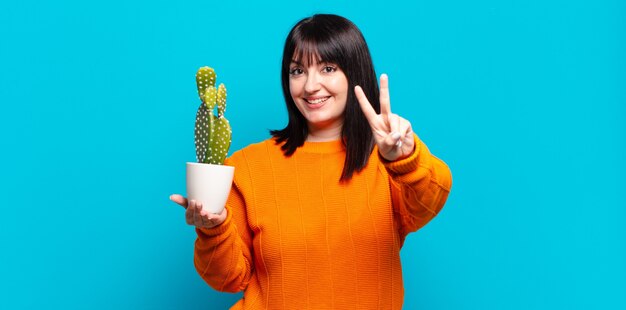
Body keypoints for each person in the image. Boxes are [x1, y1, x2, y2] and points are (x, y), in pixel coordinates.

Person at [170, 14, 452, 309]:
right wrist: (213, 228)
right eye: (298, 71)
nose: (310, 86)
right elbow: (227, 279)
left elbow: (431, 197)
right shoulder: (247, 167)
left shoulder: (387, 161)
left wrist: (404, 159)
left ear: (354, 73)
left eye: (328, 68)